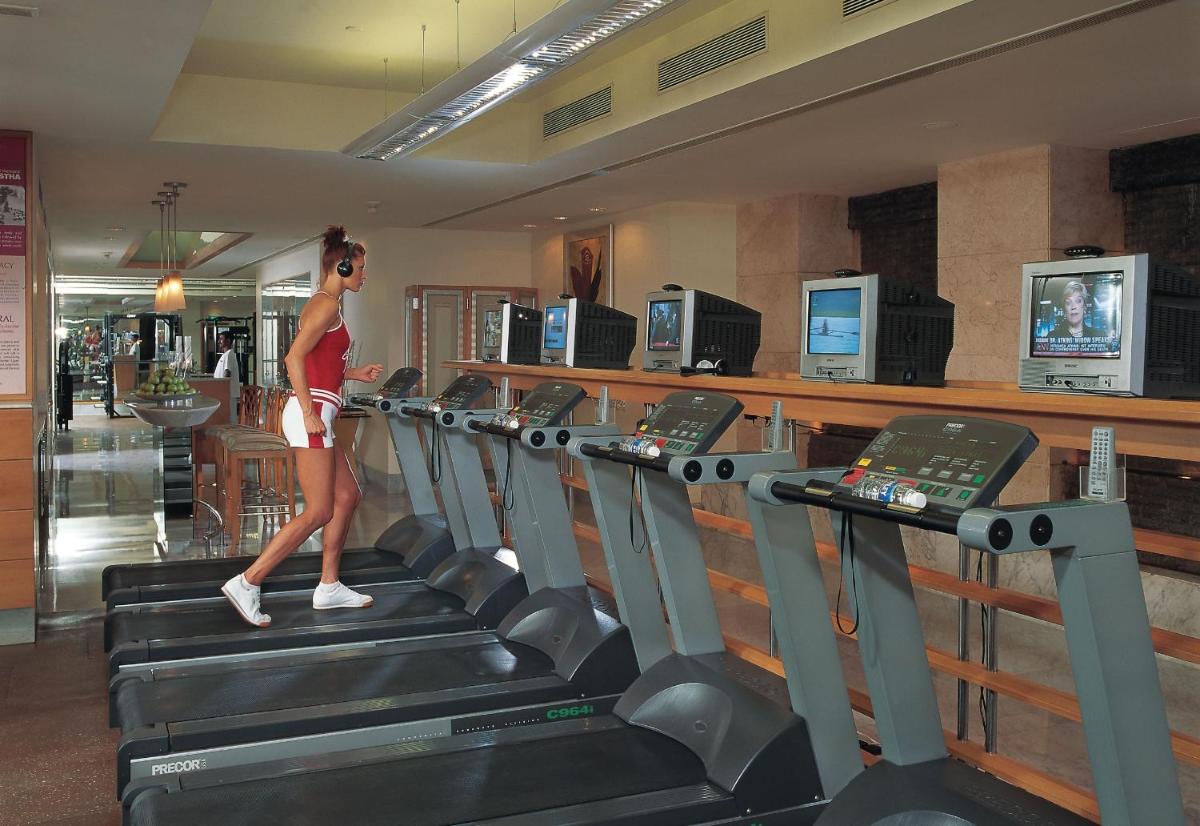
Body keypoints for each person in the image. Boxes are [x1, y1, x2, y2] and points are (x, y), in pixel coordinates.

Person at [222, 226, 384, 627]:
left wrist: (353, 373)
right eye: (360, 268)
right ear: (342, 267)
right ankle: (248, 581)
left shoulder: (330, 305)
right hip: (310, 414)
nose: (364, 275)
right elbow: (293, 359)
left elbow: (318, 362)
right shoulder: (324, 305)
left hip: (321, 411)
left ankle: (329, 585)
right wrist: (310, 411)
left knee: (346, 495)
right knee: (319, 509)